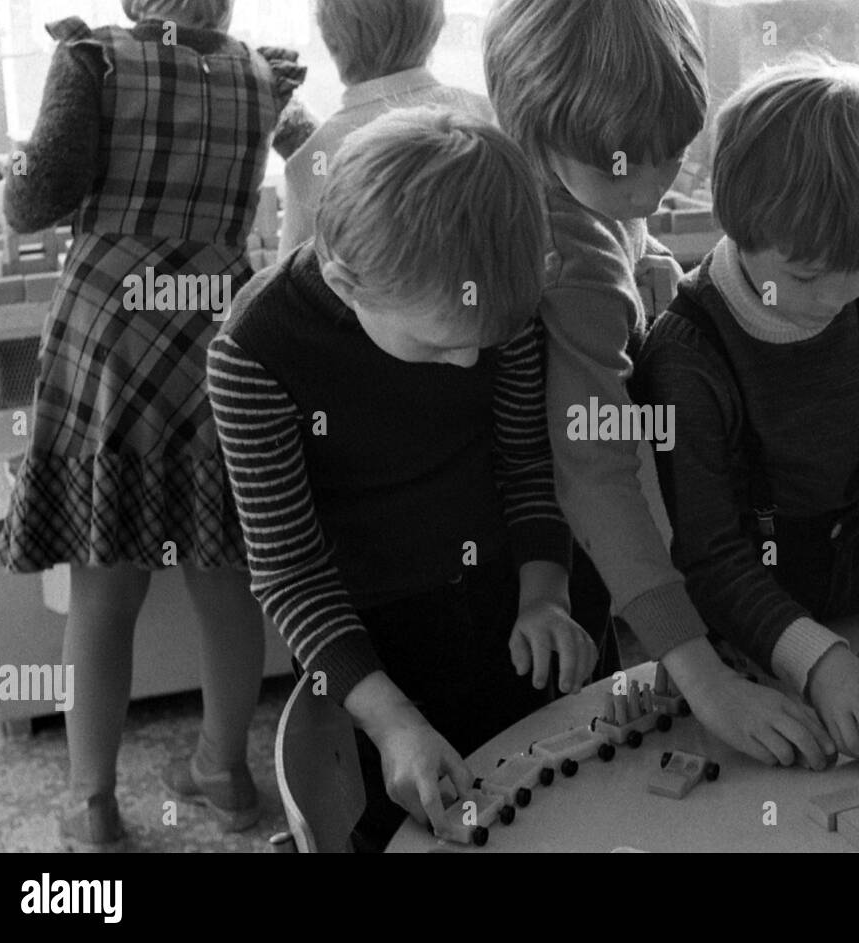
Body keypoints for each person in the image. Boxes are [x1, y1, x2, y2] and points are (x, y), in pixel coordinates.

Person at [208, 107, 596, 852]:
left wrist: (545, 594)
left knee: (562, 809)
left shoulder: (493, 300)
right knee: (412, 821)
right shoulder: (254, 353)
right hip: (369, 635)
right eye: (441, 345)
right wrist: (391, 720)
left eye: (485, 342)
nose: (468, 365)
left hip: (506, 593)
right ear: (347, 283)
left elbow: (524, 466)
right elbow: (290, 569)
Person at [484, 0, 836, 768]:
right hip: (525, 550)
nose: (648, 190)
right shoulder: (572, 263)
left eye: (672, 154)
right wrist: (706, 680)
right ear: (538, 130)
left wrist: (646, 271)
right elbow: (595, 472)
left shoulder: (558, 178)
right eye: (622, 166)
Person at [0, 0, 305, 851]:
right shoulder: (260, 72)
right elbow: (319, 163)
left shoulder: (93, 60)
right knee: (222, 564)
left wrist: (3, 181)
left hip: (114, 333)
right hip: (217, 327)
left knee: (106, 579)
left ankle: (93, 803)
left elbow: (36, 196)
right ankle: (224, 769)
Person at [632, 55, 859, 760]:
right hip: (735, 632)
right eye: (808, 277)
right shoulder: (687, 354)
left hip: (855, 601)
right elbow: (712, 552)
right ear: (739, 224)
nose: (833, 301)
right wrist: (813, 660)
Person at [278, 0, 493, 255]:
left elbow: (289, 283)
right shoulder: (488, 118)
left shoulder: (309, 164)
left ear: (330, 41)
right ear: (436, 29)